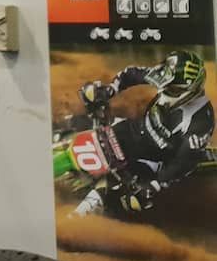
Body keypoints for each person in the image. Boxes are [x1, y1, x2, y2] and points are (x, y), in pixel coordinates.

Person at [79, 50, 215, 213]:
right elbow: (131, 74)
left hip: (150, 161)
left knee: (119, 195)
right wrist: (109, 90)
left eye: (171, 90)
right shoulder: (167, 75)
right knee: (80, 122)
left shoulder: (201, 121)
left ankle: (79, 215)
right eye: (164, 84)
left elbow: (183, 163)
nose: (163, 91)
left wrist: (155, 185)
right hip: (132, 130)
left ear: (191, 91)